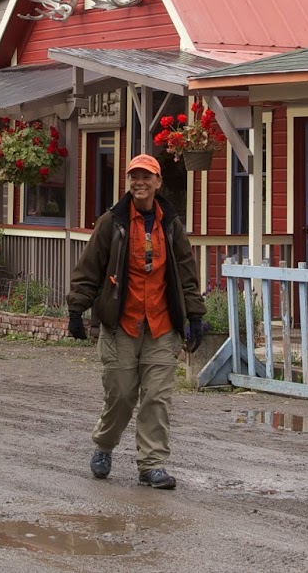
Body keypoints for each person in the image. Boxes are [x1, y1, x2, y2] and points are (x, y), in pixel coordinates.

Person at [66, 153, 206, 490]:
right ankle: (103, 445)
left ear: (158, 183)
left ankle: (152, 465)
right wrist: (76, 309)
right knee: (122, 396)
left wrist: (196, 315)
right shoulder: (111, 223)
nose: (139, 183)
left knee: (157, 396)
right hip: (121, 324)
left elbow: (186, 273)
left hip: (161, 325)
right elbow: (89, 269)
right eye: (134, 177)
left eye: (146, 177)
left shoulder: (171, 226)